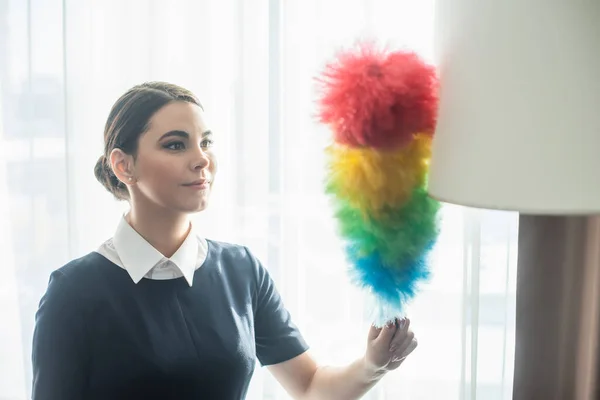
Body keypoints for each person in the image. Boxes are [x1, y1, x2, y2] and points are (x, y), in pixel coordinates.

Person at [31, 81, 418, 400]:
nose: (202, 160)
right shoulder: (75, 291)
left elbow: (311, 387)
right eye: (175, 144)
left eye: (207, 142)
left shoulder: (240, 269)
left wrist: (373, 365)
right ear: (123, 165)